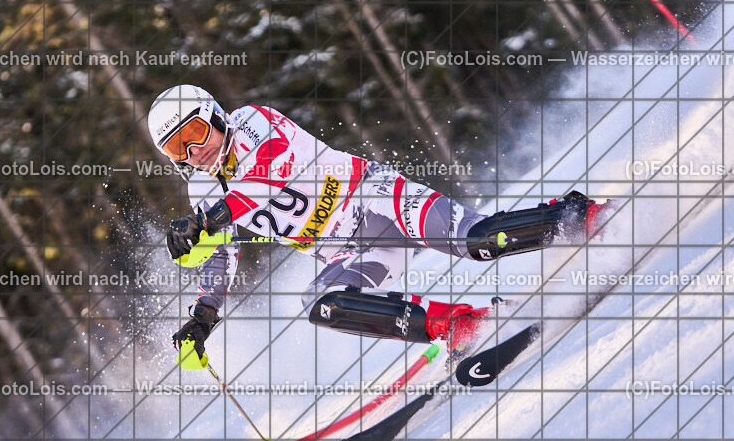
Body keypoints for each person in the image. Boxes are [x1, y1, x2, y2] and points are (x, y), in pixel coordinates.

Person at [148, 85, 613, 360]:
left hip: (379, 200)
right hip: (355, 250)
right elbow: (221, 256)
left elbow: (274, 168)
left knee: (480, 241)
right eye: (177, 149)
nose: (194, 152)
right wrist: (204, 316)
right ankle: (454, 325)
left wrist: (208, 218)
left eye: (194, 133)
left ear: (214, 117)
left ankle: (576, 215)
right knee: (321, 304)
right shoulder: (203, 192)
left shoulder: (252, 122)